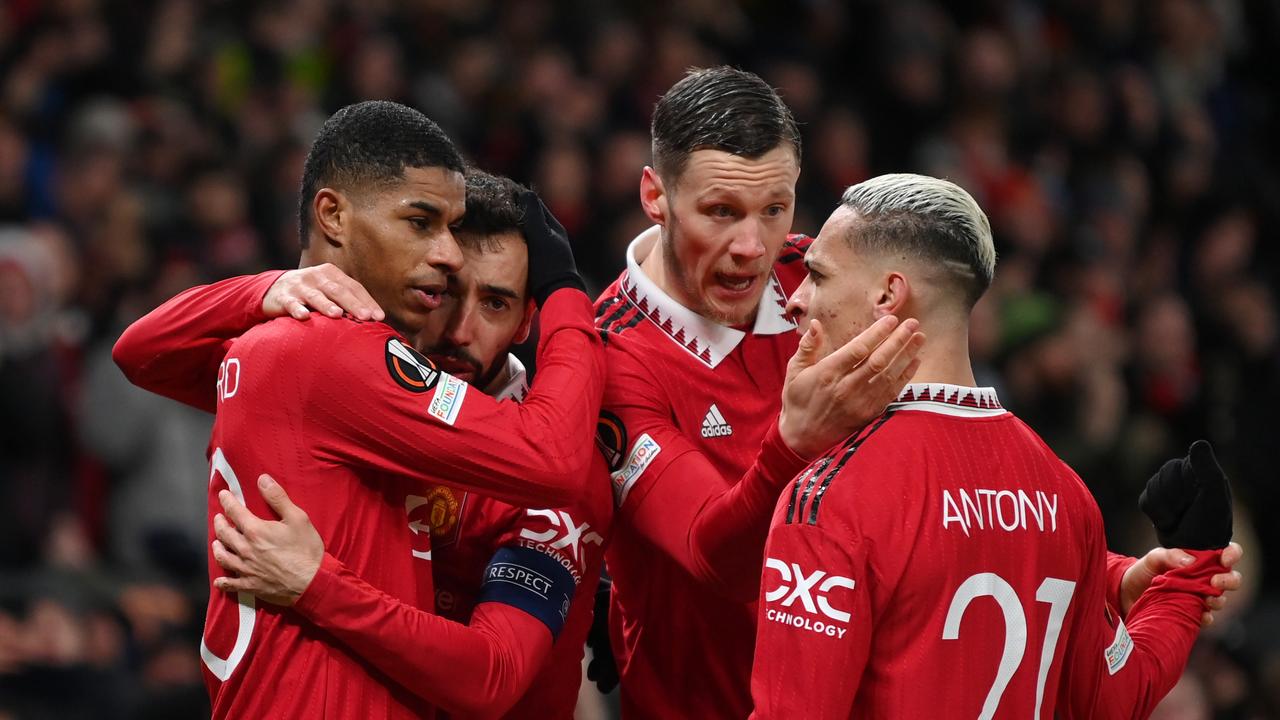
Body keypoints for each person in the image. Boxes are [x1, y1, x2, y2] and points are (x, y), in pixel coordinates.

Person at [588, 66, 1242, 719]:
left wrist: (1097, 578)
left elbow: (942, 483)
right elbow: (712, 558)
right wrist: (791, 450)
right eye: (721, 213)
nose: (754, 248)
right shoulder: (614, 353)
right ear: (656, 195)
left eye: (776, 208)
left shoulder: (829, 280)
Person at [112, 101, 606, 719]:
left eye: (496, 303)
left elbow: (493, 674)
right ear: (335, 216)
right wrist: (267, 287)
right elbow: (138, 352)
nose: (458, 325)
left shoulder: (548, 466)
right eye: (445, 290)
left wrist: (321, 587)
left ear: (526, 322)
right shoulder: (348, 364)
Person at [749, 173, 1231, 718]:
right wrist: (1186, 583)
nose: (795, 299)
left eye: (817, 274)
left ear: (888, 294)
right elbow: (1117, 696)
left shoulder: (829, 497)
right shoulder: (1063, 493)